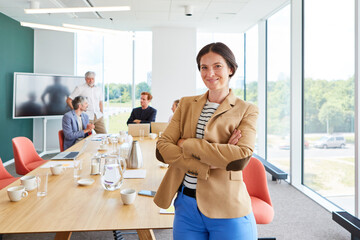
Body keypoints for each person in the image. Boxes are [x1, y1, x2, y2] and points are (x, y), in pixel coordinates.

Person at [154, 42, 259, 240]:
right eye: (204, 67)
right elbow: (162, 149)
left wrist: (186, 144)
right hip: (186, 206)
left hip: (227, 206)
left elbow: (239, 159)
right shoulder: (186, 104)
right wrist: (212, 159)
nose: (210, 73)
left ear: (230, 69)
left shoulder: (246, 109)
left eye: (217, 66)